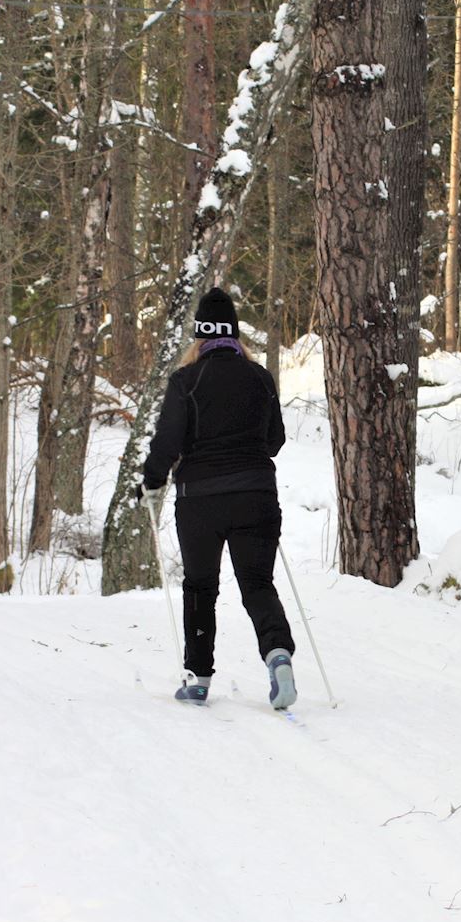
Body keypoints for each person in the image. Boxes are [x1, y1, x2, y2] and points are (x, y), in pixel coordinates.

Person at [139, 287, 296, 709]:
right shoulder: (260, 377)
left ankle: (199, 679)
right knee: (258, 583)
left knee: (200, 586)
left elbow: (167, 442)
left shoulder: (186, 380)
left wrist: (151, 480)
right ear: (235, 334)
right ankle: (278, 655)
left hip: (200, 501)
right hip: (257, 495)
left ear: (199, 337)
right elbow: (275, 441)